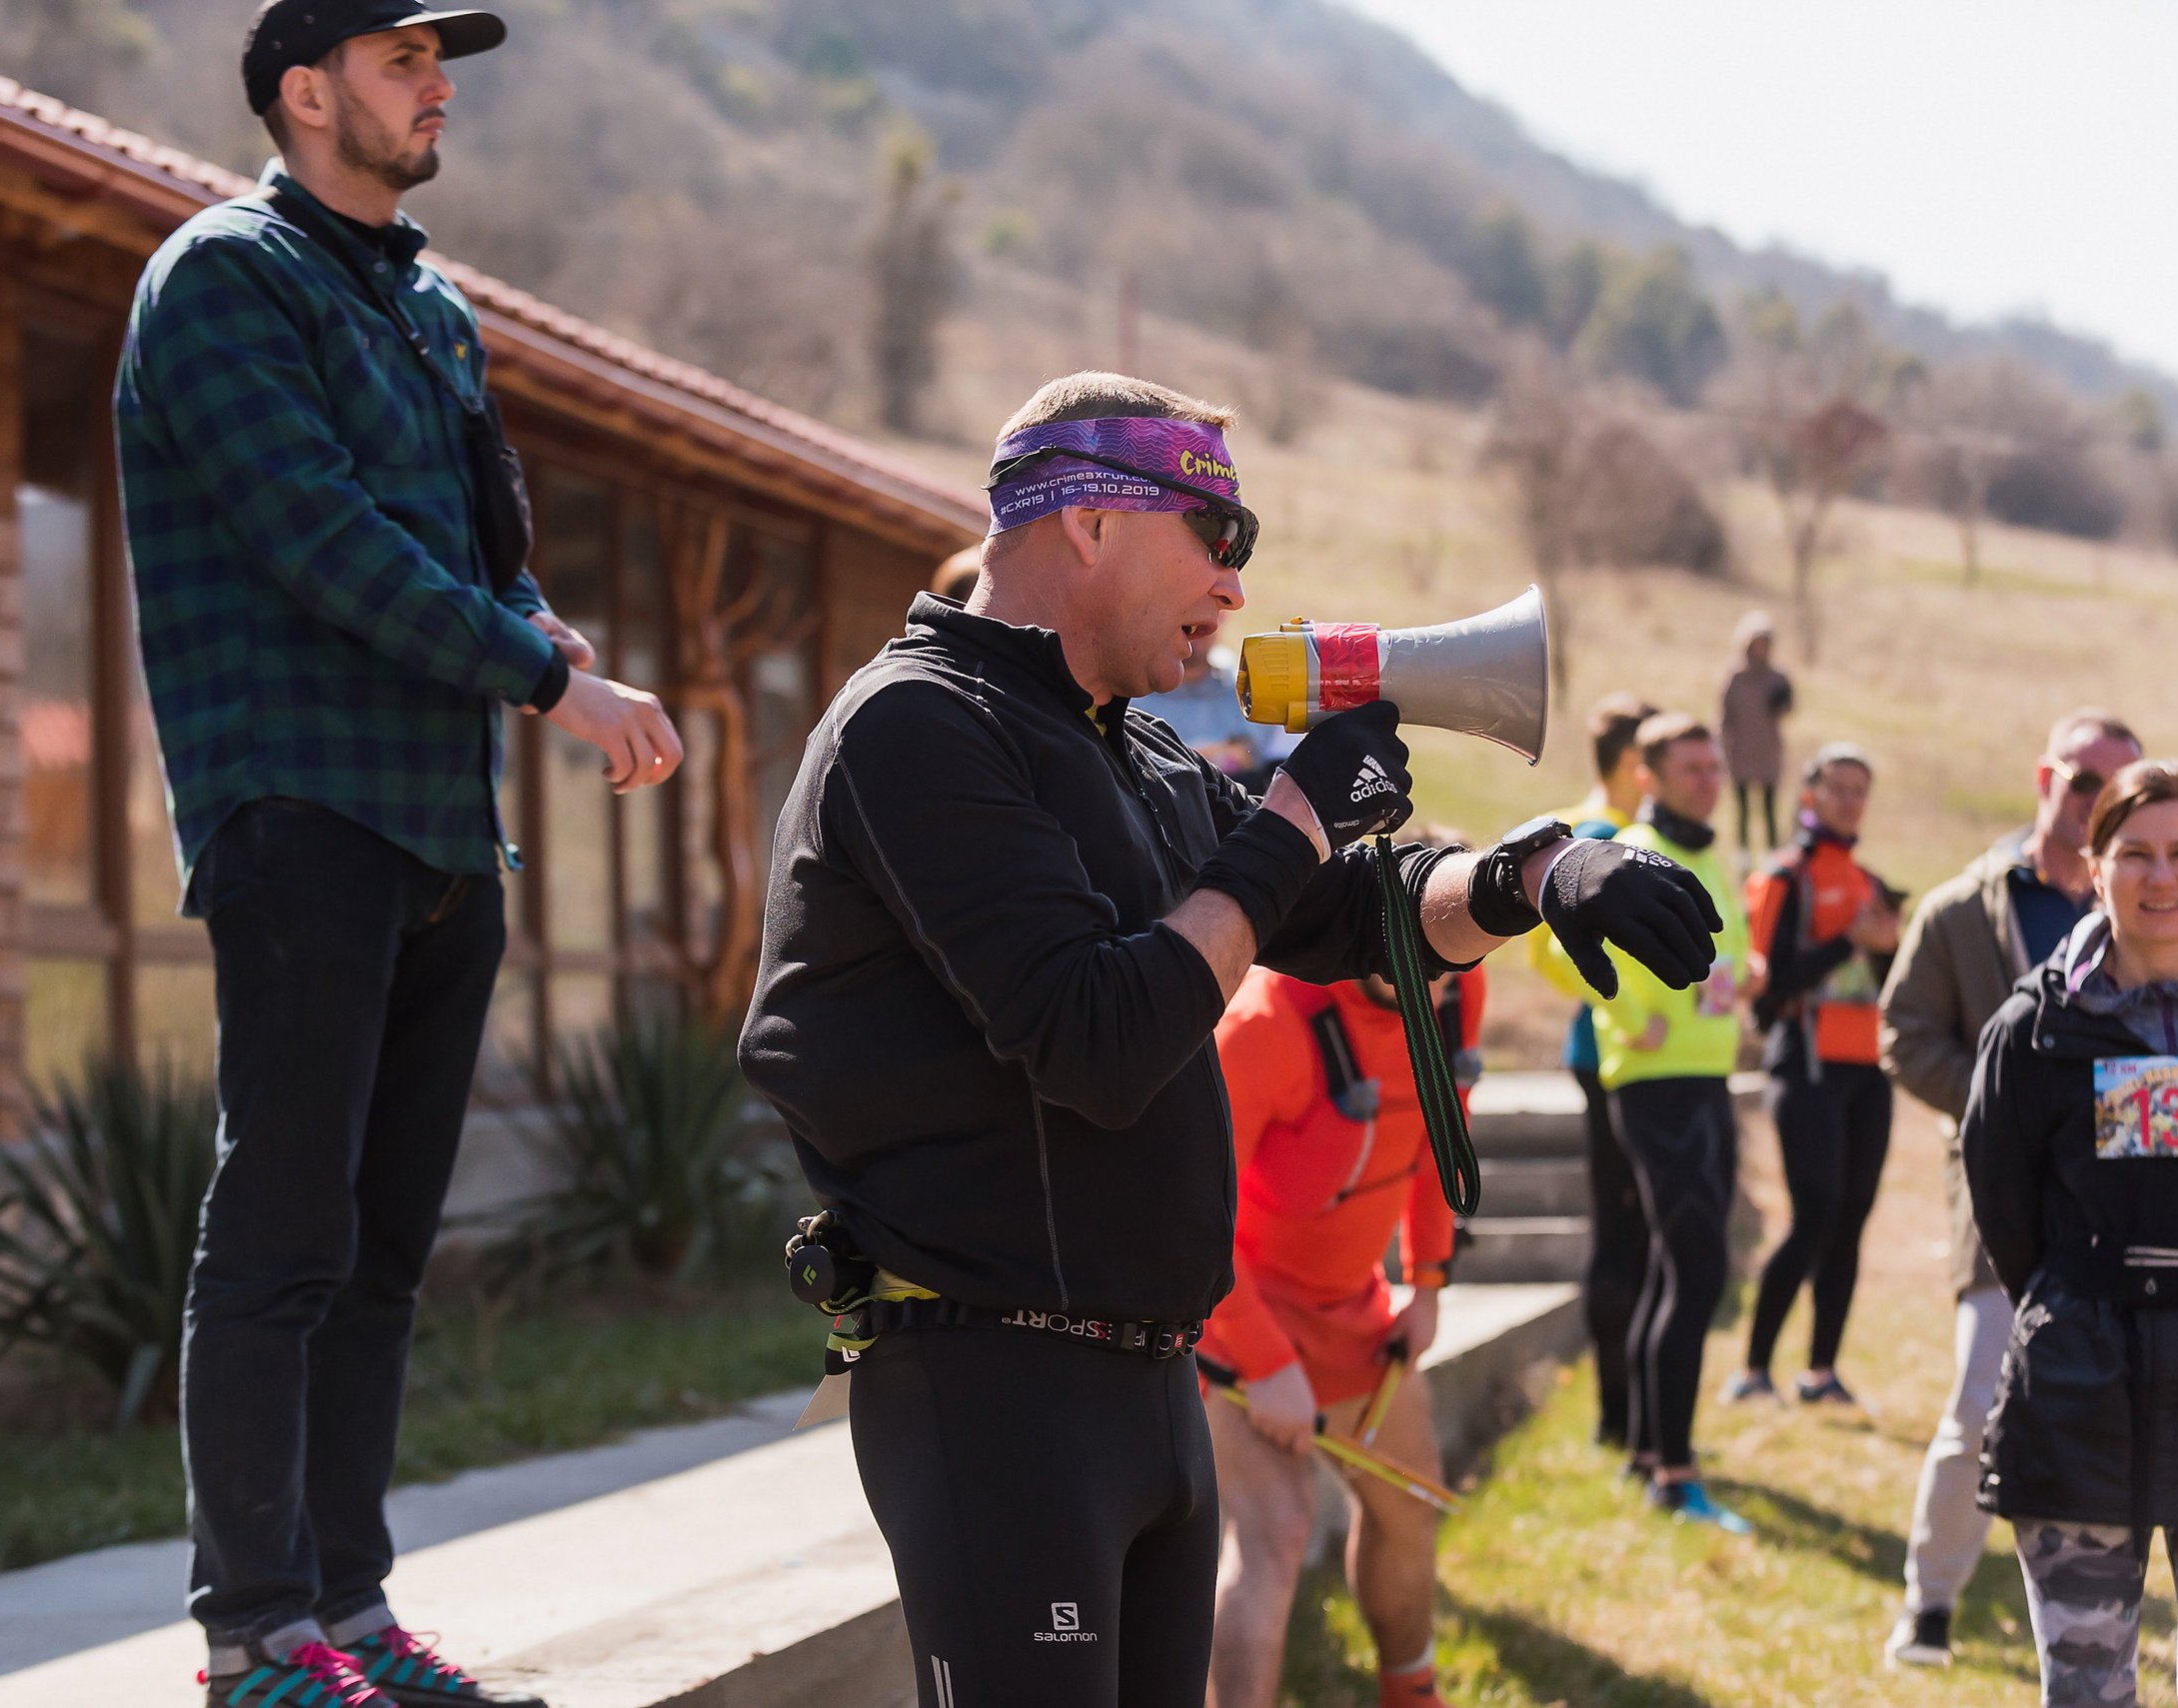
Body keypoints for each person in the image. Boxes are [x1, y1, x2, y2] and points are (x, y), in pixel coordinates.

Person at [739, 372, 1722, 1707]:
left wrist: (1530, 877)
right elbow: (1098, 1034)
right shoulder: (916, 724)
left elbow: (1348, 912)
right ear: (1089, 520)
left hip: (1147, 1378)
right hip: (996, 1383)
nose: (1236, 583)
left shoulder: (1131, 751)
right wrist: (1297, 816)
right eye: (1217, 534)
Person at [117, 6, 684, 1704]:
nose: (439, 88)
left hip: (443, 823)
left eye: (443, 62)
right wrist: (554, 685)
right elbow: (325, 539)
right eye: (401, 60)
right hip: (299, 809)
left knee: (377, 1252)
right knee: (283, 1227)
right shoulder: (224, 279)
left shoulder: (429, 304)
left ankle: (350, 1620)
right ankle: (253, 1636)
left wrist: (535, 624)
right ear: (306, 93)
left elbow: (475, 546)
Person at [1963, 761, 2178, 1708]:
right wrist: (2082, 1300)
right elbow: (2006, 1209)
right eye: (2136, 854)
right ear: (2094, 866)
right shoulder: (2031, 1027)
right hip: (2079, 1389)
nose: (2163, 877)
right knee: (2086, 1694)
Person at [1877, 709, 2141, 1668]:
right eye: (2082, 780)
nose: (2096, 802)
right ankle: (1929, 1606)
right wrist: (2006, 1107)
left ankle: (2096, 1613)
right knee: (1984, 1395)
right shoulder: (1961, 909)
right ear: (2044, 779)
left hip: (2122, 1204)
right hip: (1999, 1196)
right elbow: (1903, 1035)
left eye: (2117, 788)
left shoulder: (2145, 910)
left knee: (2119, 1409)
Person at [1201, 937, 1487, 1708]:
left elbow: (1443, 1128)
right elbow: (1188, 1220)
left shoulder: (1459, 971)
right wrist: (1265, 1361)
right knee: (1277, 1530)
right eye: (1423, 970)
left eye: (1453, 972)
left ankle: (1410, 1691)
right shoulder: (1264, 1024)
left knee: (1410, 1502)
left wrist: (1427, 1284)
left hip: (1351, 1311)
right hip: (1232, 1312)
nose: (1442, 995)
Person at [1538, 712, 1756, 1531]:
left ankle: (1643, 1450)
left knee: (1676, 1269)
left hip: (1710, 1072)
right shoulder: (1627, 847)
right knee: (1696, 1271)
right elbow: (1561, 946)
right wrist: (1630, 1016)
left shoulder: (1712, 852)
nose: (1708, 781)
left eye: (1715, 766)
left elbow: (1720, 949)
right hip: (1653, 1080)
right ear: (1648, 775)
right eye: (1691, 767)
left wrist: (1743, 976)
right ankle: (1675, 1472)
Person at [1726, 744, 1900, 1405]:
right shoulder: (1782, 876)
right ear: (1809, 795)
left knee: (1851, 1219)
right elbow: (1769, 988)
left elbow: (1887, 984)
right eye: (1838, 788)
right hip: (1805, 1064)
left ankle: (1821, 1373)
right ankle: (1752, 1371)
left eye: (1861, 790)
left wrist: (1885, 946)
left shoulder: (1869, 880)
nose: (1851, 801)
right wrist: (1848, 940)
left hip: (1869, 1071)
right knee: (1814, 1216)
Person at [1527, 691, 1656, 1448]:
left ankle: (1642, 1414)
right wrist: (1628, 1012)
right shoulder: (1594, 834)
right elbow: (1548, 953)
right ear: (1636, 762)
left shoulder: (1640, 830)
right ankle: (1618, 1416)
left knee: (1642, 1238)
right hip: (1607, 1061)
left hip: (1644, 1063)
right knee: (1621, 1235)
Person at [1133, 615, 1292, 788]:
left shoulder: (1259, 692)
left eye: (1207, 608)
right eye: (1183, 611)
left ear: (1223, 615)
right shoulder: (1128, 700)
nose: (1194, 624)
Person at [1717, 611, 1792, 861]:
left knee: (1769, 809)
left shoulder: (1777, 677)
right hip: (1741, 751)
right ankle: (1743, 858)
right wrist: (1720, 747)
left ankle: (1773, 857)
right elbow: (1725, 715)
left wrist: (1782, 702)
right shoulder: (1735, 677)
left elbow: (1787, 709)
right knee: (1743, 810)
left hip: (1767, 751)